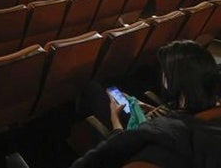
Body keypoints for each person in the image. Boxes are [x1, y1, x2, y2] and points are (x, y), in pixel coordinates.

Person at [72, 40, 221, 168]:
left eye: (165, 73)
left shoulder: (164, 137)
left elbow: (123, 145)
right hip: (147, 120)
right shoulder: (210, 109)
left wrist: (115, 119)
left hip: (131, 129)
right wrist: (148, 107)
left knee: (91, 88)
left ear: (176, 80)